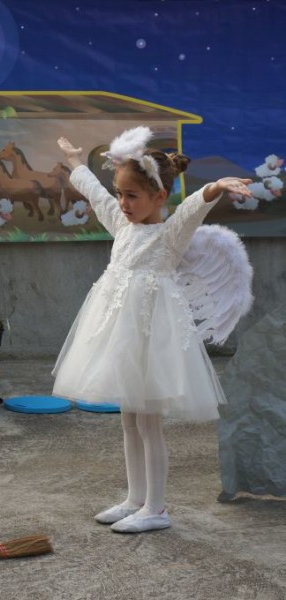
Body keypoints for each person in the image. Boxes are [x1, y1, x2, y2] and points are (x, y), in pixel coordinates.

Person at [52, 127, 252, 533]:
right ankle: (135, 498)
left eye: (132, 196)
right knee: (128, 420)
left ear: (159, 197)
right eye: (121, 194)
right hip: (120, 337)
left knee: (148, 423)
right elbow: (96, 195)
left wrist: (215, 187)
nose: (123, 203)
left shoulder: (169, 236)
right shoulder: (121, 224)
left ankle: (157, 508)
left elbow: (192, 208)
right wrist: (74, 161)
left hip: (151, 338)